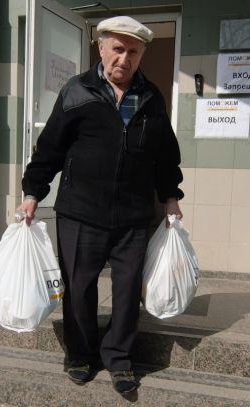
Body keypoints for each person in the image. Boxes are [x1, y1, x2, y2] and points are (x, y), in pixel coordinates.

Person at [17, 15, 183, 395]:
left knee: (127, 291)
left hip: (133, 217)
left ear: (141, 55)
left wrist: (170, 197)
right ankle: (79, 354)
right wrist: (32, 194)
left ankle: (119, 359)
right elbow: (50, 149)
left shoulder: (152, 98)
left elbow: (165, 156)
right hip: (80, 213)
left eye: (133, 52)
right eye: (118, 49)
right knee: (79, 287)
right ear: (101, 47)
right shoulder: (77, 91)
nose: (124, 58)